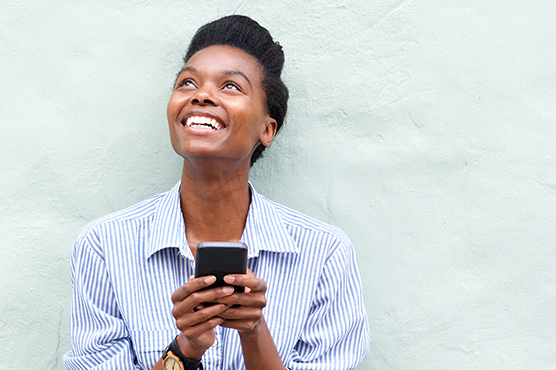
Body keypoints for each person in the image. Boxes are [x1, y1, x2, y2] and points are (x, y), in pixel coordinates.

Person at [63, 15, 370, 370]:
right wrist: (187, 347)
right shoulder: (105, 246)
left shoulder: (325, 255)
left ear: (267, 129)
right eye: (187, 82)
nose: (202, 95)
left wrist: (254, 331)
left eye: (231, 87)